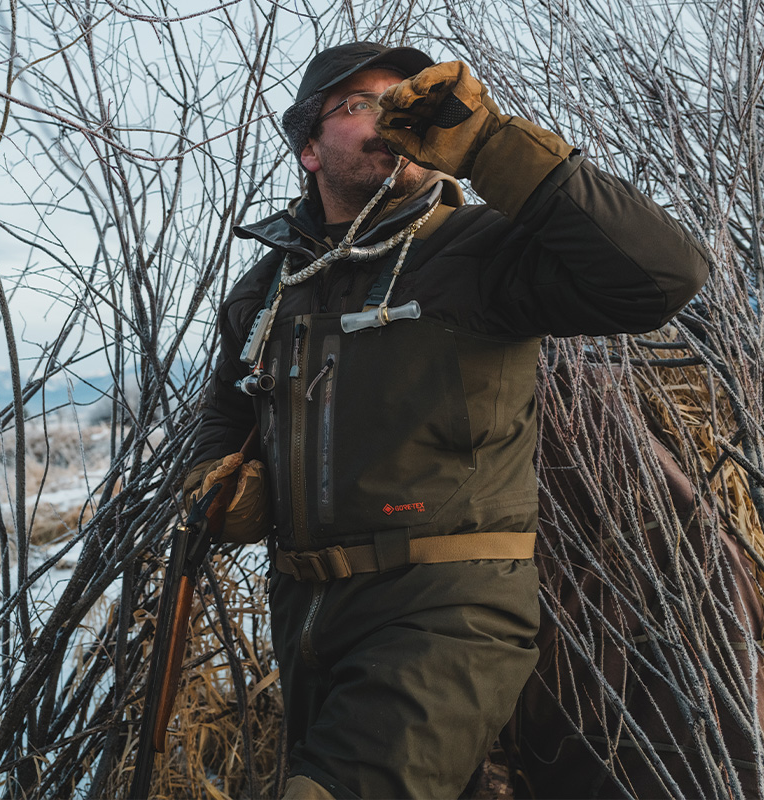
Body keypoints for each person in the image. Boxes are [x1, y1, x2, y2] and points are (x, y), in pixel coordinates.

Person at [184, 41, 709, 799]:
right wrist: (210, 478)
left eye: (408, 101)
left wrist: (491, 144)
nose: (393, 118)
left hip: (449, 610)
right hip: (309, 619)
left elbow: (664, 276)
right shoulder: (269, 288)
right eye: (361, 105)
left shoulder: (480, 251)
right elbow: (226, 407)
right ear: (308, 147)